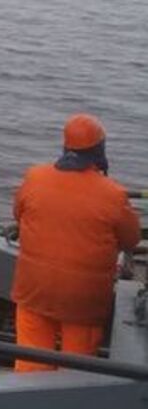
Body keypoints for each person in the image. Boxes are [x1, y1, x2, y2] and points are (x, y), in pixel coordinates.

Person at [10, 113, 141, 372]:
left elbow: (18, 213)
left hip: (35, 289)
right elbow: (131, 240)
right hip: (83, 301)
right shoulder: (113, 194)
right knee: (76, 368)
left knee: (30, 361)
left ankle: (26, 403)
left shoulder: (34, 177)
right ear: (99, 151)